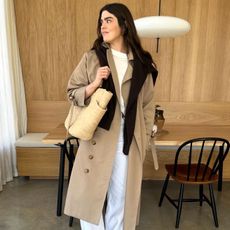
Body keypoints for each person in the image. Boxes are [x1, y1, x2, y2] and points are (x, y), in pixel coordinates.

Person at [64, 3, 158, 230]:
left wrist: (143, 138)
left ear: (124, 25)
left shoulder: (142, 63)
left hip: (127, 139)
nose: (103, 25)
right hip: (99, 135)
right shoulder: (92, 57)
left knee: (121, 198)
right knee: (88, 198)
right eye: (101, 21)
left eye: (109, 20)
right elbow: (72, 92)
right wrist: (95, 83)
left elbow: (147, 105)